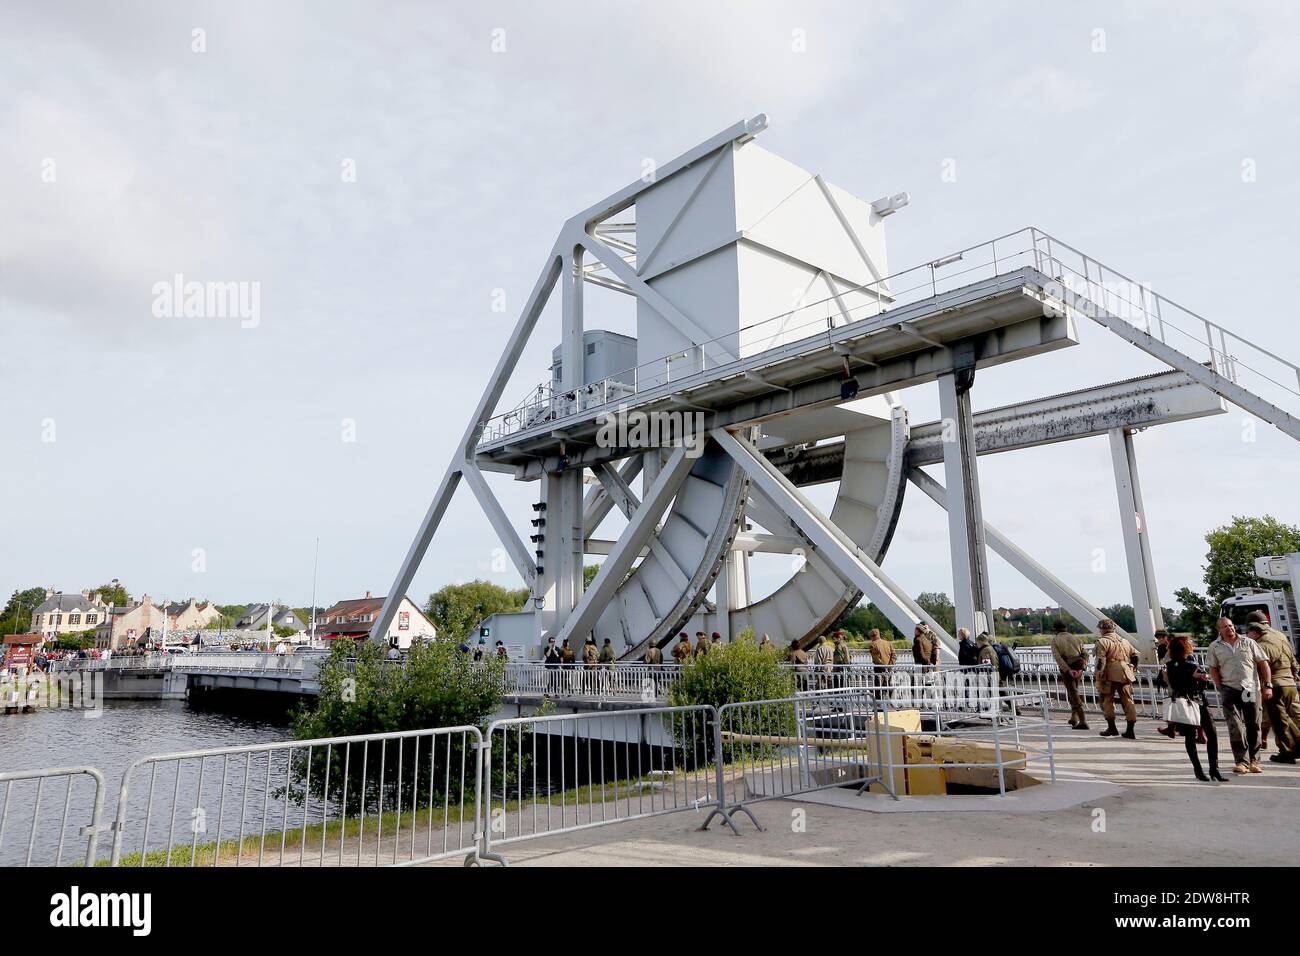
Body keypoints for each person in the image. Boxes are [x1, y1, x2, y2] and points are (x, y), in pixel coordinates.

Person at [1207, 616, 1271, 774]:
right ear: (1219, 630)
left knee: (1253, 725)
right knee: (1235, 726)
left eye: (1230, 625)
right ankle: (1241, 761)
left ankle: (1255, 761)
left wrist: (1268, 685)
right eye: (1225, 626)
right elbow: (1213, 668)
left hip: (1250, 688)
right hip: (1229, 689)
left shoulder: (1248, 642)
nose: (1229, 628)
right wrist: (1220, 687)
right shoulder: (1215, 647)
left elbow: (1263, 663)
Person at [1165, 633, 1225, 782]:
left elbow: (1169, 683)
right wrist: (1200, 679)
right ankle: (1214, 769)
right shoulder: (1192, 665)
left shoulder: (1169, 665)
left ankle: (1198, 770)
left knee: (1190, 738)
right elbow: (1204, 684)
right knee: (1212, 734)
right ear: (1186, 648)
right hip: (1198, 702)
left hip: (1183, 703)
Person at [1247, 611, 1300, 762]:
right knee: (1295, 717)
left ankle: (1288, 752)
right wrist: (1293, 677)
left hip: (1275, 685)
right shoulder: (1281, 636)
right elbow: (1293, 661)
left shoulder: (1260, 642)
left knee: (1279, 721)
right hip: (1290, 683)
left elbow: (1260, 666)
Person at [1093, 619, 1139, 739]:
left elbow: (1100, 661)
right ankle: (1130, 730)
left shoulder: (1102, 642)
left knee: (1107, 699)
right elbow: (1135, 656)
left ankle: (1112, 728)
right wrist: (1133, 669)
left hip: (1110, 673)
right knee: (1128, 700)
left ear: (1102, 629)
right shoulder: (1124, 641)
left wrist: (1098, 675)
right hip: (1125, 672)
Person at [1049, 619, 1089, 731]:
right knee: (1074, 691)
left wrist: (1067, 670)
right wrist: (1082, 668)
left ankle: (1083, 720)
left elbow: (1058, 658)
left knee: (1073, 693)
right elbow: (1085, 653)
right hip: (1078, 667)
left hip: (1068, 669)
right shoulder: (1076, 638)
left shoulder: (1055, 640)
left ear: (1055, 629)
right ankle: (1073, 717)